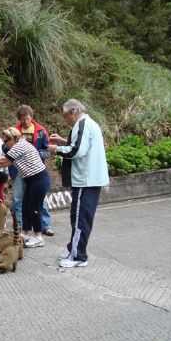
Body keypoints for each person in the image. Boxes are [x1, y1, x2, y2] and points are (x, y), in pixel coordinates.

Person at [48, 99, 109, 268]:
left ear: (73, 111)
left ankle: (78, 256)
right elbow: (80, 146)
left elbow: (76, 151)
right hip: (88, 179)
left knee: (80, 218)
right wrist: (62, 141)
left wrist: (55, 149)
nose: (65, 119)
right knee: (78, 217)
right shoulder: (87, 124)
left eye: (66, 115)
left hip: (85, 180)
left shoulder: (83, 125)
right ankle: (73, 249)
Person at [0, 127, 51, 247]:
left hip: (39, 179)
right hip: (30, 180)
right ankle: (26, 233)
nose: (5, 144)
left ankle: (38, 236)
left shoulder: (20, 145)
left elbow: (5, 160)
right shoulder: (18, 145)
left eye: (6, 141)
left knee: (34, 208)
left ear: (14, 138)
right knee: (26, 207)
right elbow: (7, 162)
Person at [11, 105, 54, 239]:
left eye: (27, 118)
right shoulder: (15, 131)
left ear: (31, 116)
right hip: (19, 169)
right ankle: (22, 225)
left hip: (36, 169)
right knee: (19, 198)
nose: (25, 121)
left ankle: (45, 225)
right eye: (22, 119)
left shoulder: (41, 131)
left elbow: (48, 151)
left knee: (39, 200)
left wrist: (36, 153)